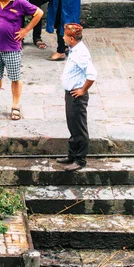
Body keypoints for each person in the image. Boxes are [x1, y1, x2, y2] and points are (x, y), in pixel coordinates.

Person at [56, 23, 97, 172]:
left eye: (65, 36)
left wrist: (83, 90)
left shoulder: (81, 53)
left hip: (76, 95)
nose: (63, 38)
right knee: (72, 125)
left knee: (79, 127)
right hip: (70, 93)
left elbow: (92, 74)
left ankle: (80, 159)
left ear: (71, 38)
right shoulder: (74, 49)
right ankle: (72, 155)